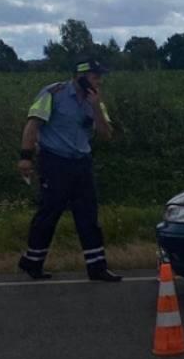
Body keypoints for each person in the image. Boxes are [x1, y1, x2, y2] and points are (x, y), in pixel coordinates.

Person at [16, 58, 122, 281]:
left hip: (81, 163)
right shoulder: (53, 93)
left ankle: (97, 267)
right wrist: (26, 157)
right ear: (80, 77)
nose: (99, 81)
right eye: (95, 76)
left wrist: (95, 107)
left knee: (88, 215)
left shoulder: (95, 102)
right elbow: (32, 124)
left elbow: (106, 134)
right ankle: (32, 262)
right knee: (49, 213)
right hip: (55, 161)